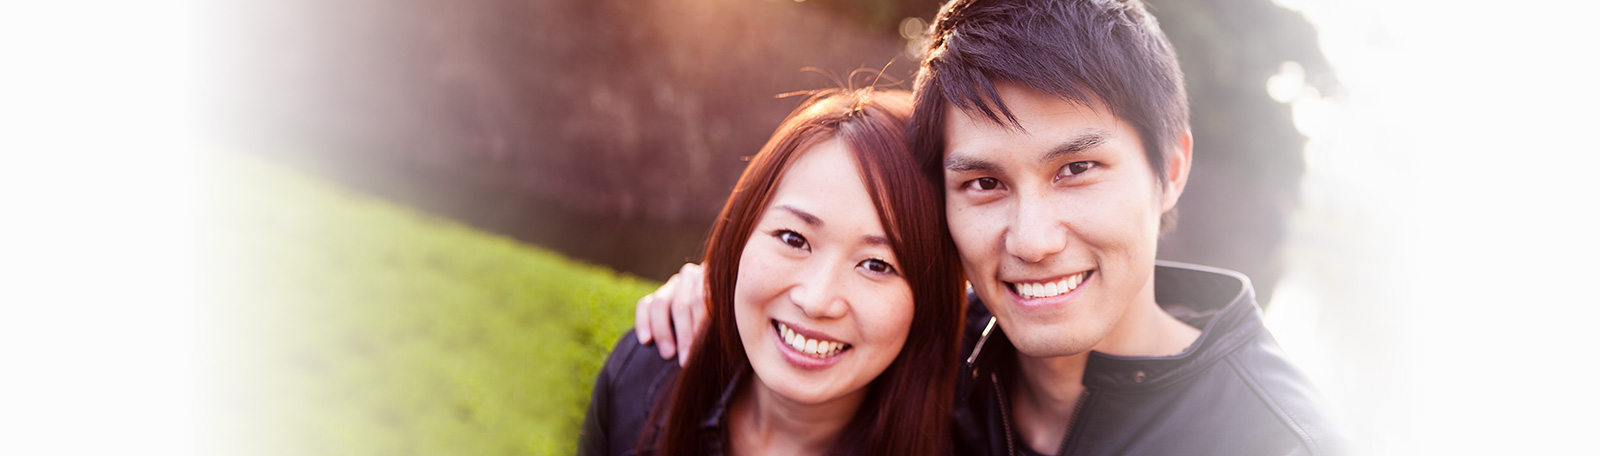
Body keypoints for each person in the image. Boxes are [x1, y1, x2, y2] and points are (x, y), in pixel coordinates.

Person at [635, 1, 1347, 455]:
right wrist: (719, 296)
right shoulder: (931, 348)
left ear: (1172, 168)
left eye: (1077, 169)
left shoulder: (1277, 441)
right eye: (984, 183)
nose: (1032, 240)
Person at [579, 88, 965, 456]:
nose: (816, 300)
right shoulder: (642, 378)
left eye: (877, 264)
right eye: (794, 239)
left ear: (930, 300)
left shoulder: (972, 437)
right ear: (743, 231)